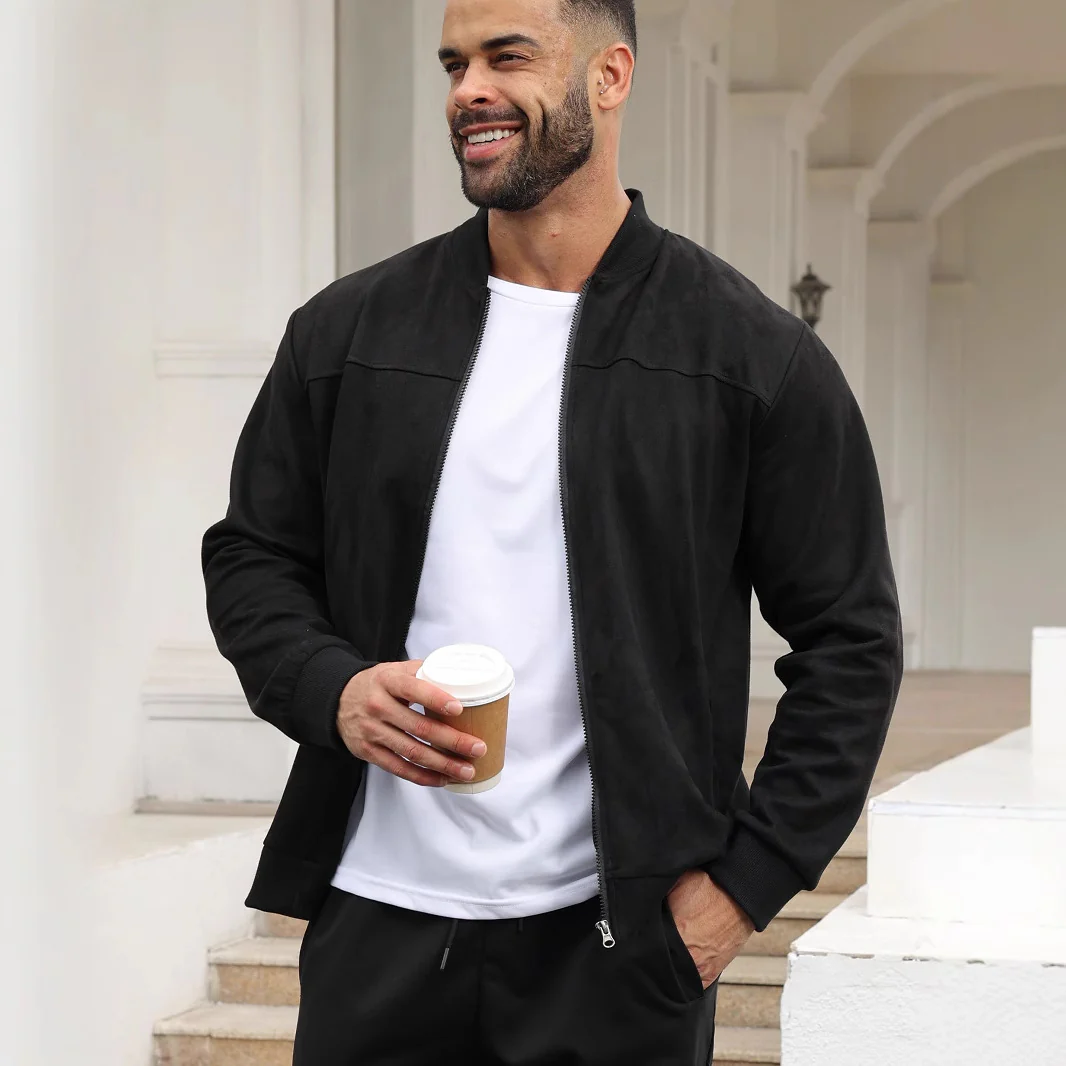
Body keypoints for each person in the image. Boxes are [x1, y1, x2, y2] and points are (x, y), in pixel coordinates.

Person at [201, 0, 903, 1061]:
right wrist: (329, 686)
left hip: (619, 947)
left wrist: (742, 889)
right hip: (379, 921)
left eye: (507, 57)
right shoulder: (348, 333)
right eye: (455, 64)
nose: (469, 90)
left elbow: (851, 640)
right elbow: (252, 554)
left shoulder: (749, 356)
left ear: (609, 77)